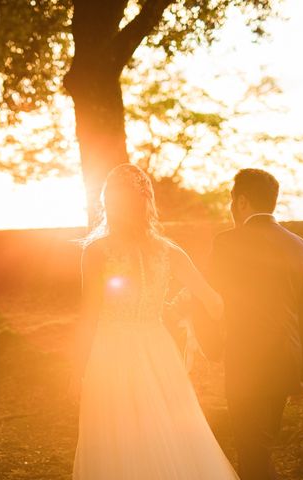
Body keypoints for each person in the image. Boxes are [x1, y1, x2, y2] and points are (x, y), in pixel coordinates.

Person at [68, 163, 239, 480]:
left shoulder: (96, 251)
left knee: (115, 435)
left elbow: (89, 316)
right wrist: (185, 312)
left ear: (108, 202)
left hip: (110, 353)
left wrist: (77, 369)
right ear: (147, 203)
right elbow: (214, 302)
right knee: (168, 432)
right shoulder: (169, 251)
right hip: (158, 349)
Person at [207, 168, 303, 479]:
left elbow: (212, 299)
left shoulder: (227, 243)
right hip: (286, 361)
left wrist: (211, 348)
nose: (230, 208)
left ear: (241, 202)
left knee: (250, 447)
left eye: (231, 201)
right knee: (263, 443)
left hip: (245, 362)